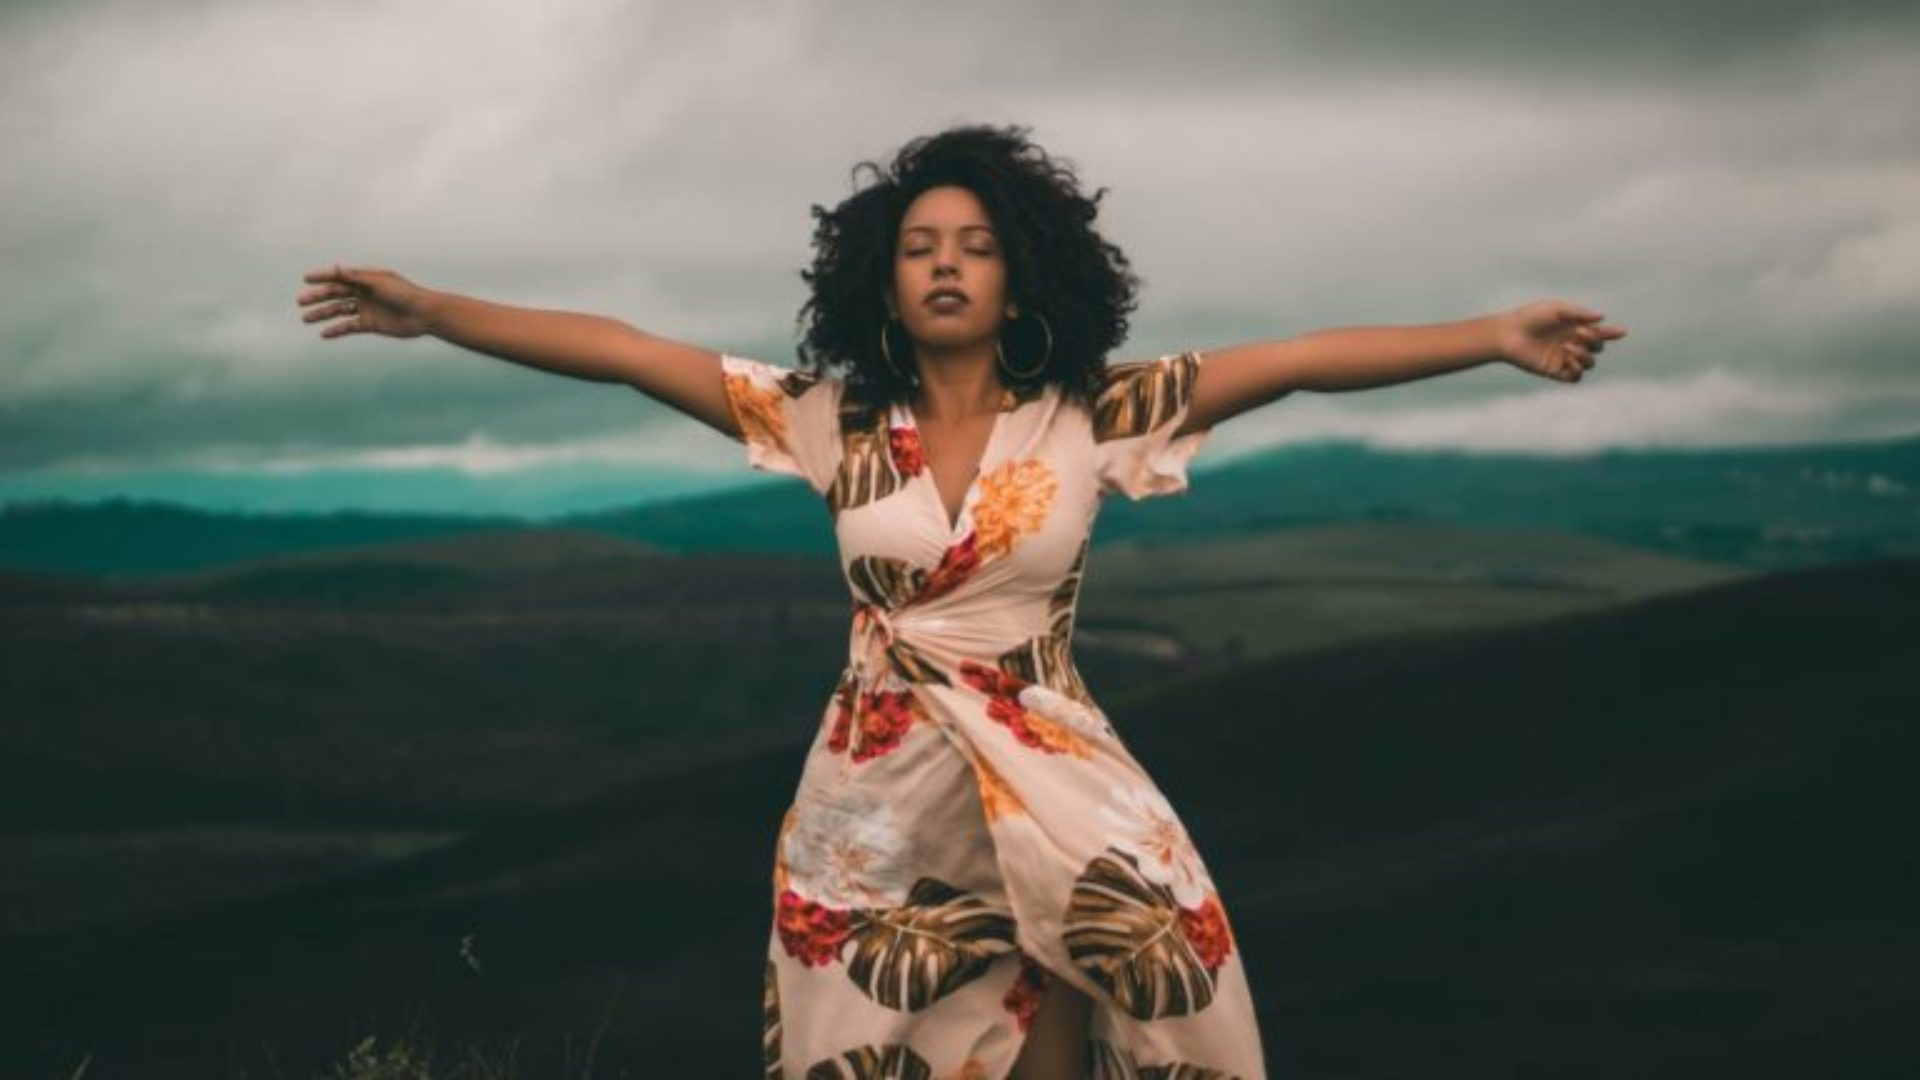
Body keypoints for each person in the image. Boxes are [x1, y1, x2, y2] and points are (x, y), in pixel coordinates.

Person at [296, 122, 1625, 1080]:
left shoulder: (1097, 414)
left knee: (1111, 979)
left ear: (1018, 274)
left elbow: (1300, 363)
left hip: (1049, 768)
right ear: (880, 273)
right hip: (872, 796)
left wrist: (1494, 334)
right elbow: (633, 355)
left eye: (976, 247)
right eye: (920, 246)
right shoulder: (829, 418)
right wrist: (438, 311)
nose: (946, 265)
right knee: (880, 1041)